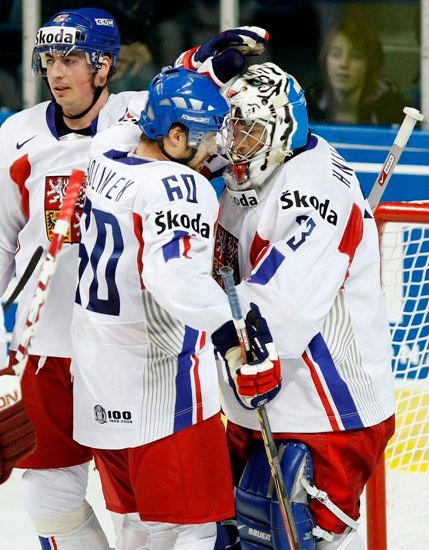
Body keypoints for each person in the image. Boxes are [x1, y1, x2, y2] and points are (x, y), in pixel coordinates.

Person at [0, 5, 268, 548]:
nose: (57, 72)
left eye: (72, 58)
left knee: (148, 512)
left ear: (105, 65)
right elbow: (4, 243)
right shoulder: (18, 135)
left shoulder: (127, 122)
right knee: (51, 499)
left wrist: (200, 64)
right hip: (50, 345)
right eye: (48, 58)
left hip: (126, 353)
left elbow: (176, 103)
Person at [70, 66, 280, 549]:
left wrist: (193, 70)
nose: (215, 151)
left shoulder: (105, 151)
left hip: (97, 375)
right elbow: (174, 279)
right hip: (161, 382)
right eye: (205, 138)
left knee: (141, 522)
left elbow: (131, 115)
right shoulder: (179, 189)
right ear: (176, 135)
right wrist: (231, 334)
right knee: (194, 528)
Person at [211, 62, 395, 549]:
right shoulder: (251, 166)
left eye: (246, 129)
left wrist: (219, 335)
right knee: (229, 534)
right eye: (228, 127)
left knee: (291, 536)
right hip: (258, 403)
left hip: (328, 411)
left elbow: (279, 317)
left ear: (281, 130)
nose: (232, 142)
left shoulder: (314, 189)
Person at [306, 19, 408, 125]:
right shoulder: (305, 105)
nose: (343, 64)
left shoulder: (395, 110)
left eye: (355, 56)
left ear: (370, 64)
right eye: (336, 54)